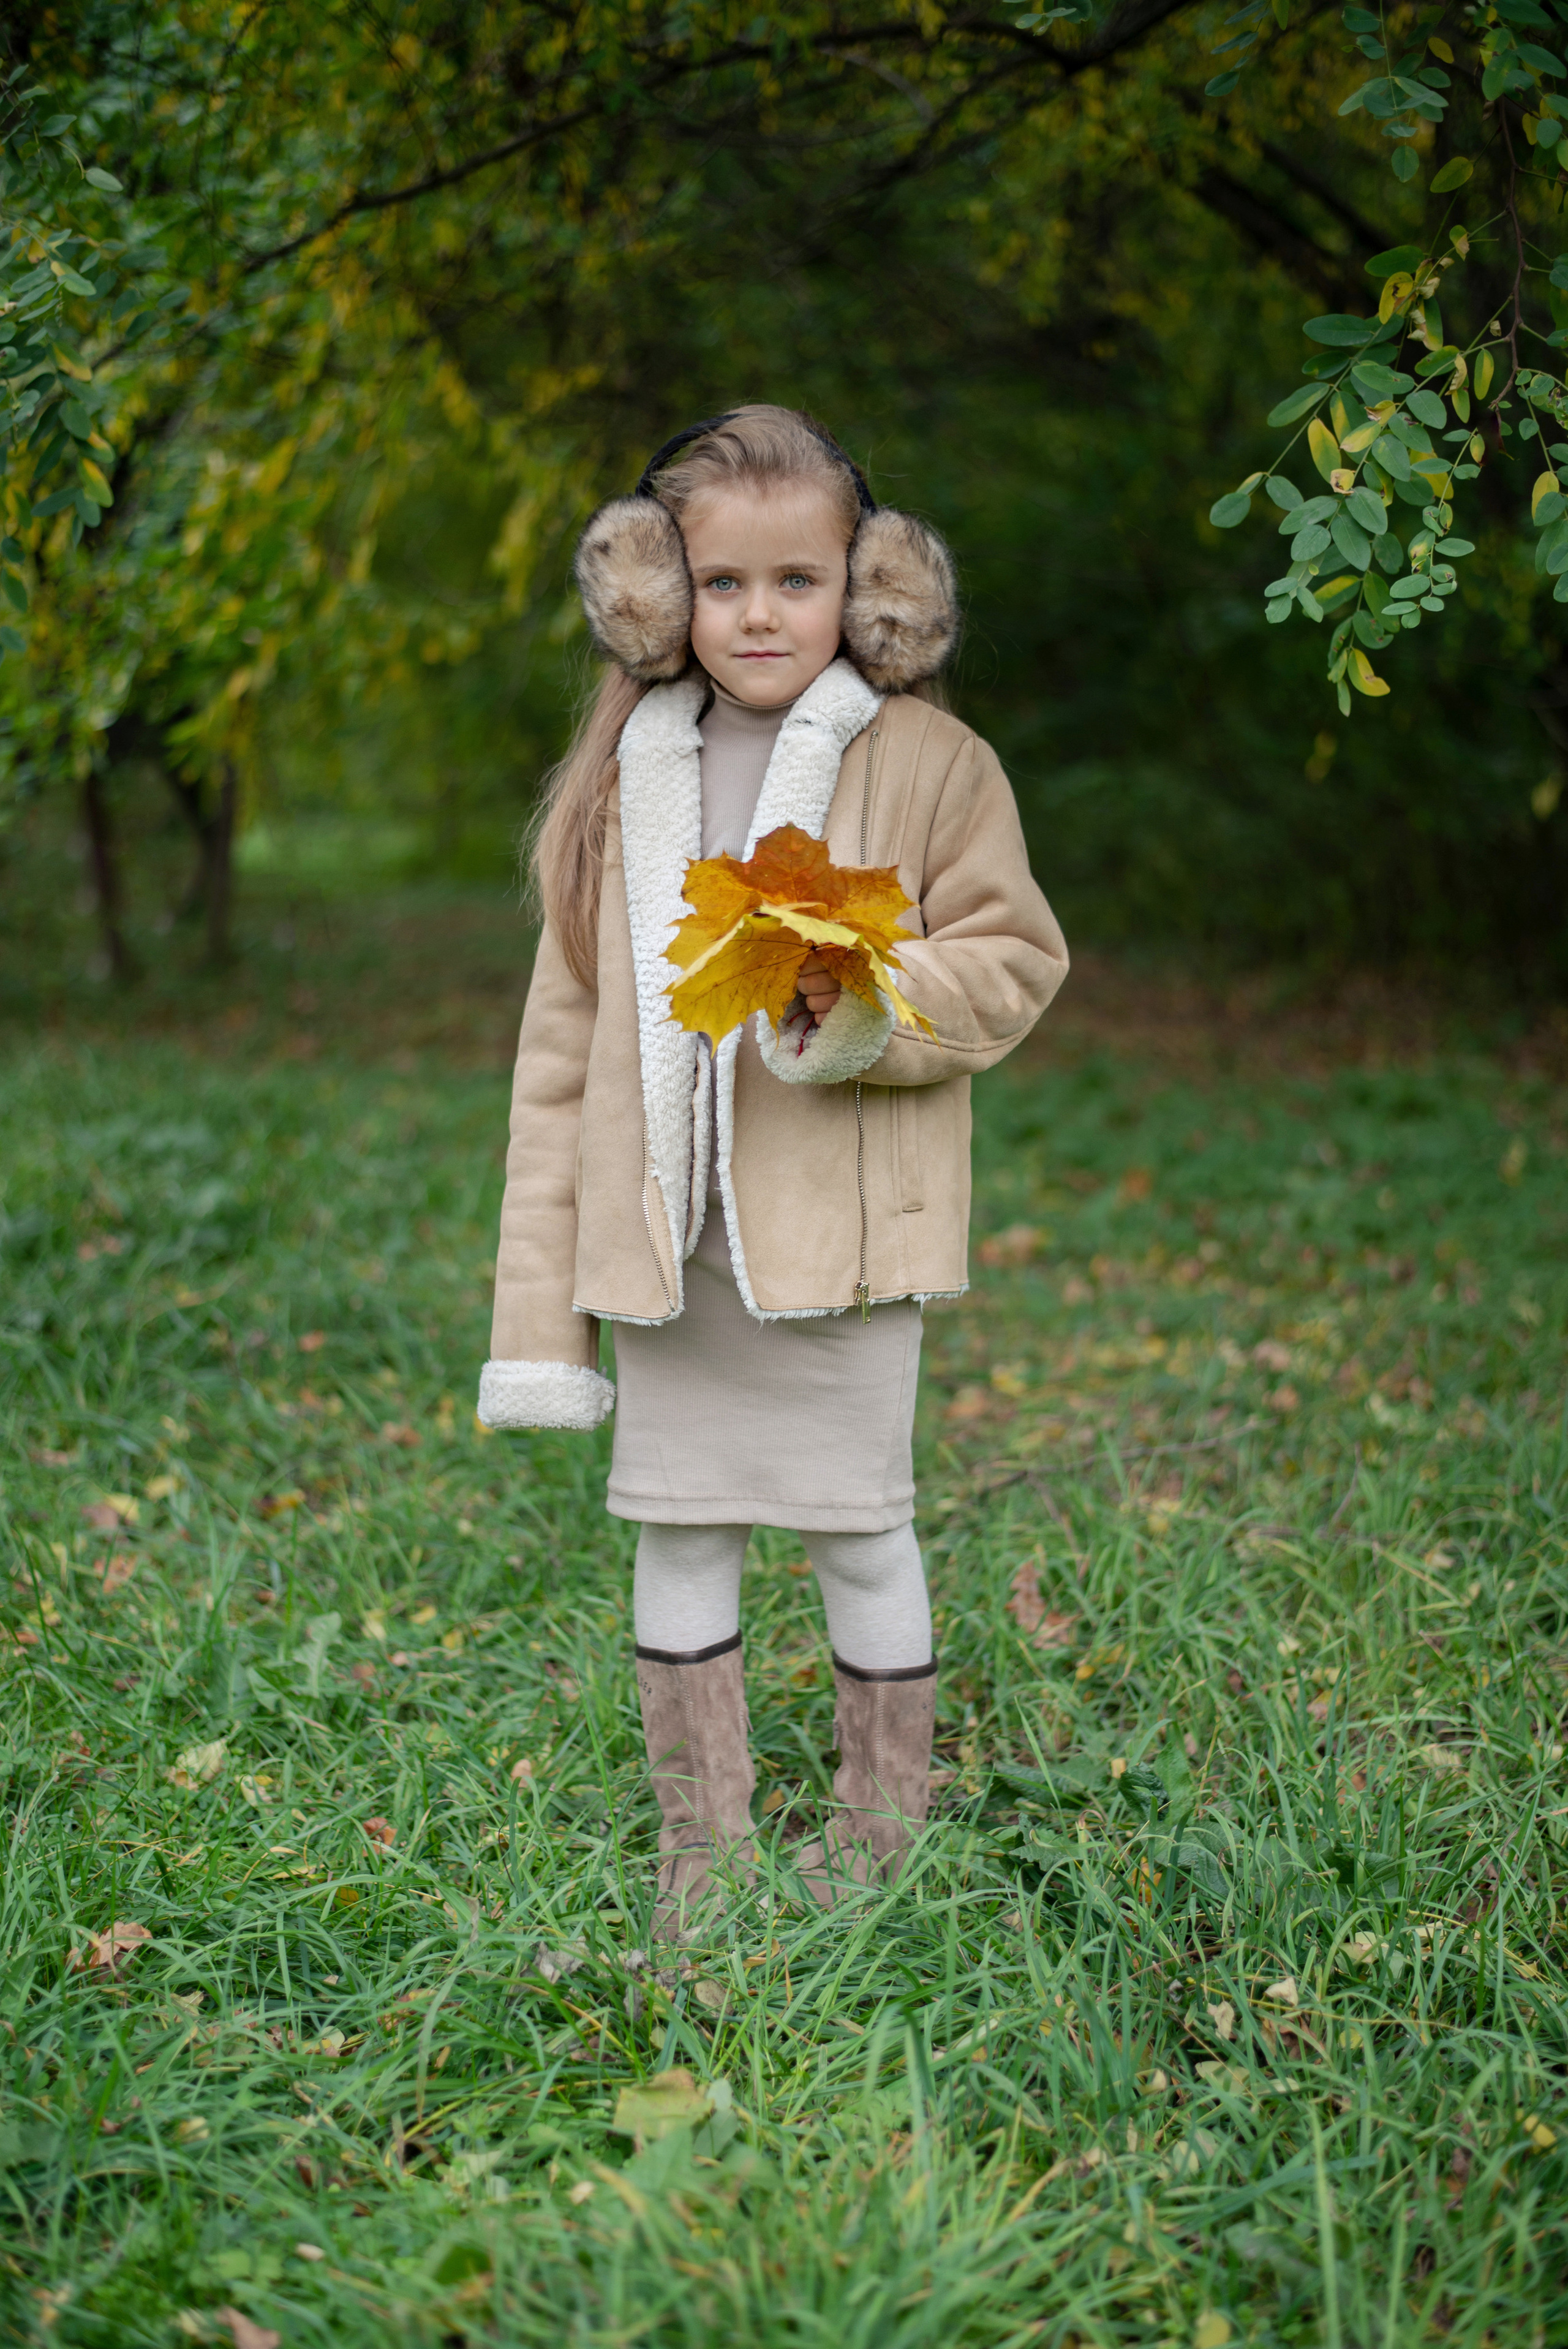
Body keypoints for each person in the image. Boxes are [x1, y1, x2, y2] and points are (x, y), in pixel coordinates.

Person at [477, 404, 1067, 1933]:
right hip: (676, 1248)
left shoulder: (929, 763)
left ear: (864, 589)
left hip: (838, 1241)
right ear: (657, 598)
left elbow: (1011, 958)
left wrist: (870, 997)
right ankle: (704, 1852)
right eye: (722, 582)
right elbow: (560, 1063)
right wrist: (539, 1315)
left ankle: (882, 1837)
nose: (758, 615)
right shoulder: (626, 782)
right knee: (677, 1524)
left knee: (857, 1524)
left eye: (796, 582)